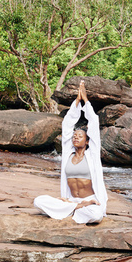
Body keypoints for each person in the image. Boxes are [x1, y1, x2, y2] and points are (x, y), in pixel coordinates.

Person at [34, 80, 108, 224]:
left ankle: (74, 208)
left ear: (87, 141)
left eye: (80, 136)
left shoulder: (92, 155)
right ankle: (76, 207)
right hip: (70, 200)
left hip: (90, 200)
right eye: (74, 136)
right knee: (38, 201)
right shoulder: (68, 153)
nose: (75, 138)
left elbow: (93, 121)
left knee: (96, 215)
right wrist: (76, 101)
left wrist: (85, 101)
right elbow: (67, 124)